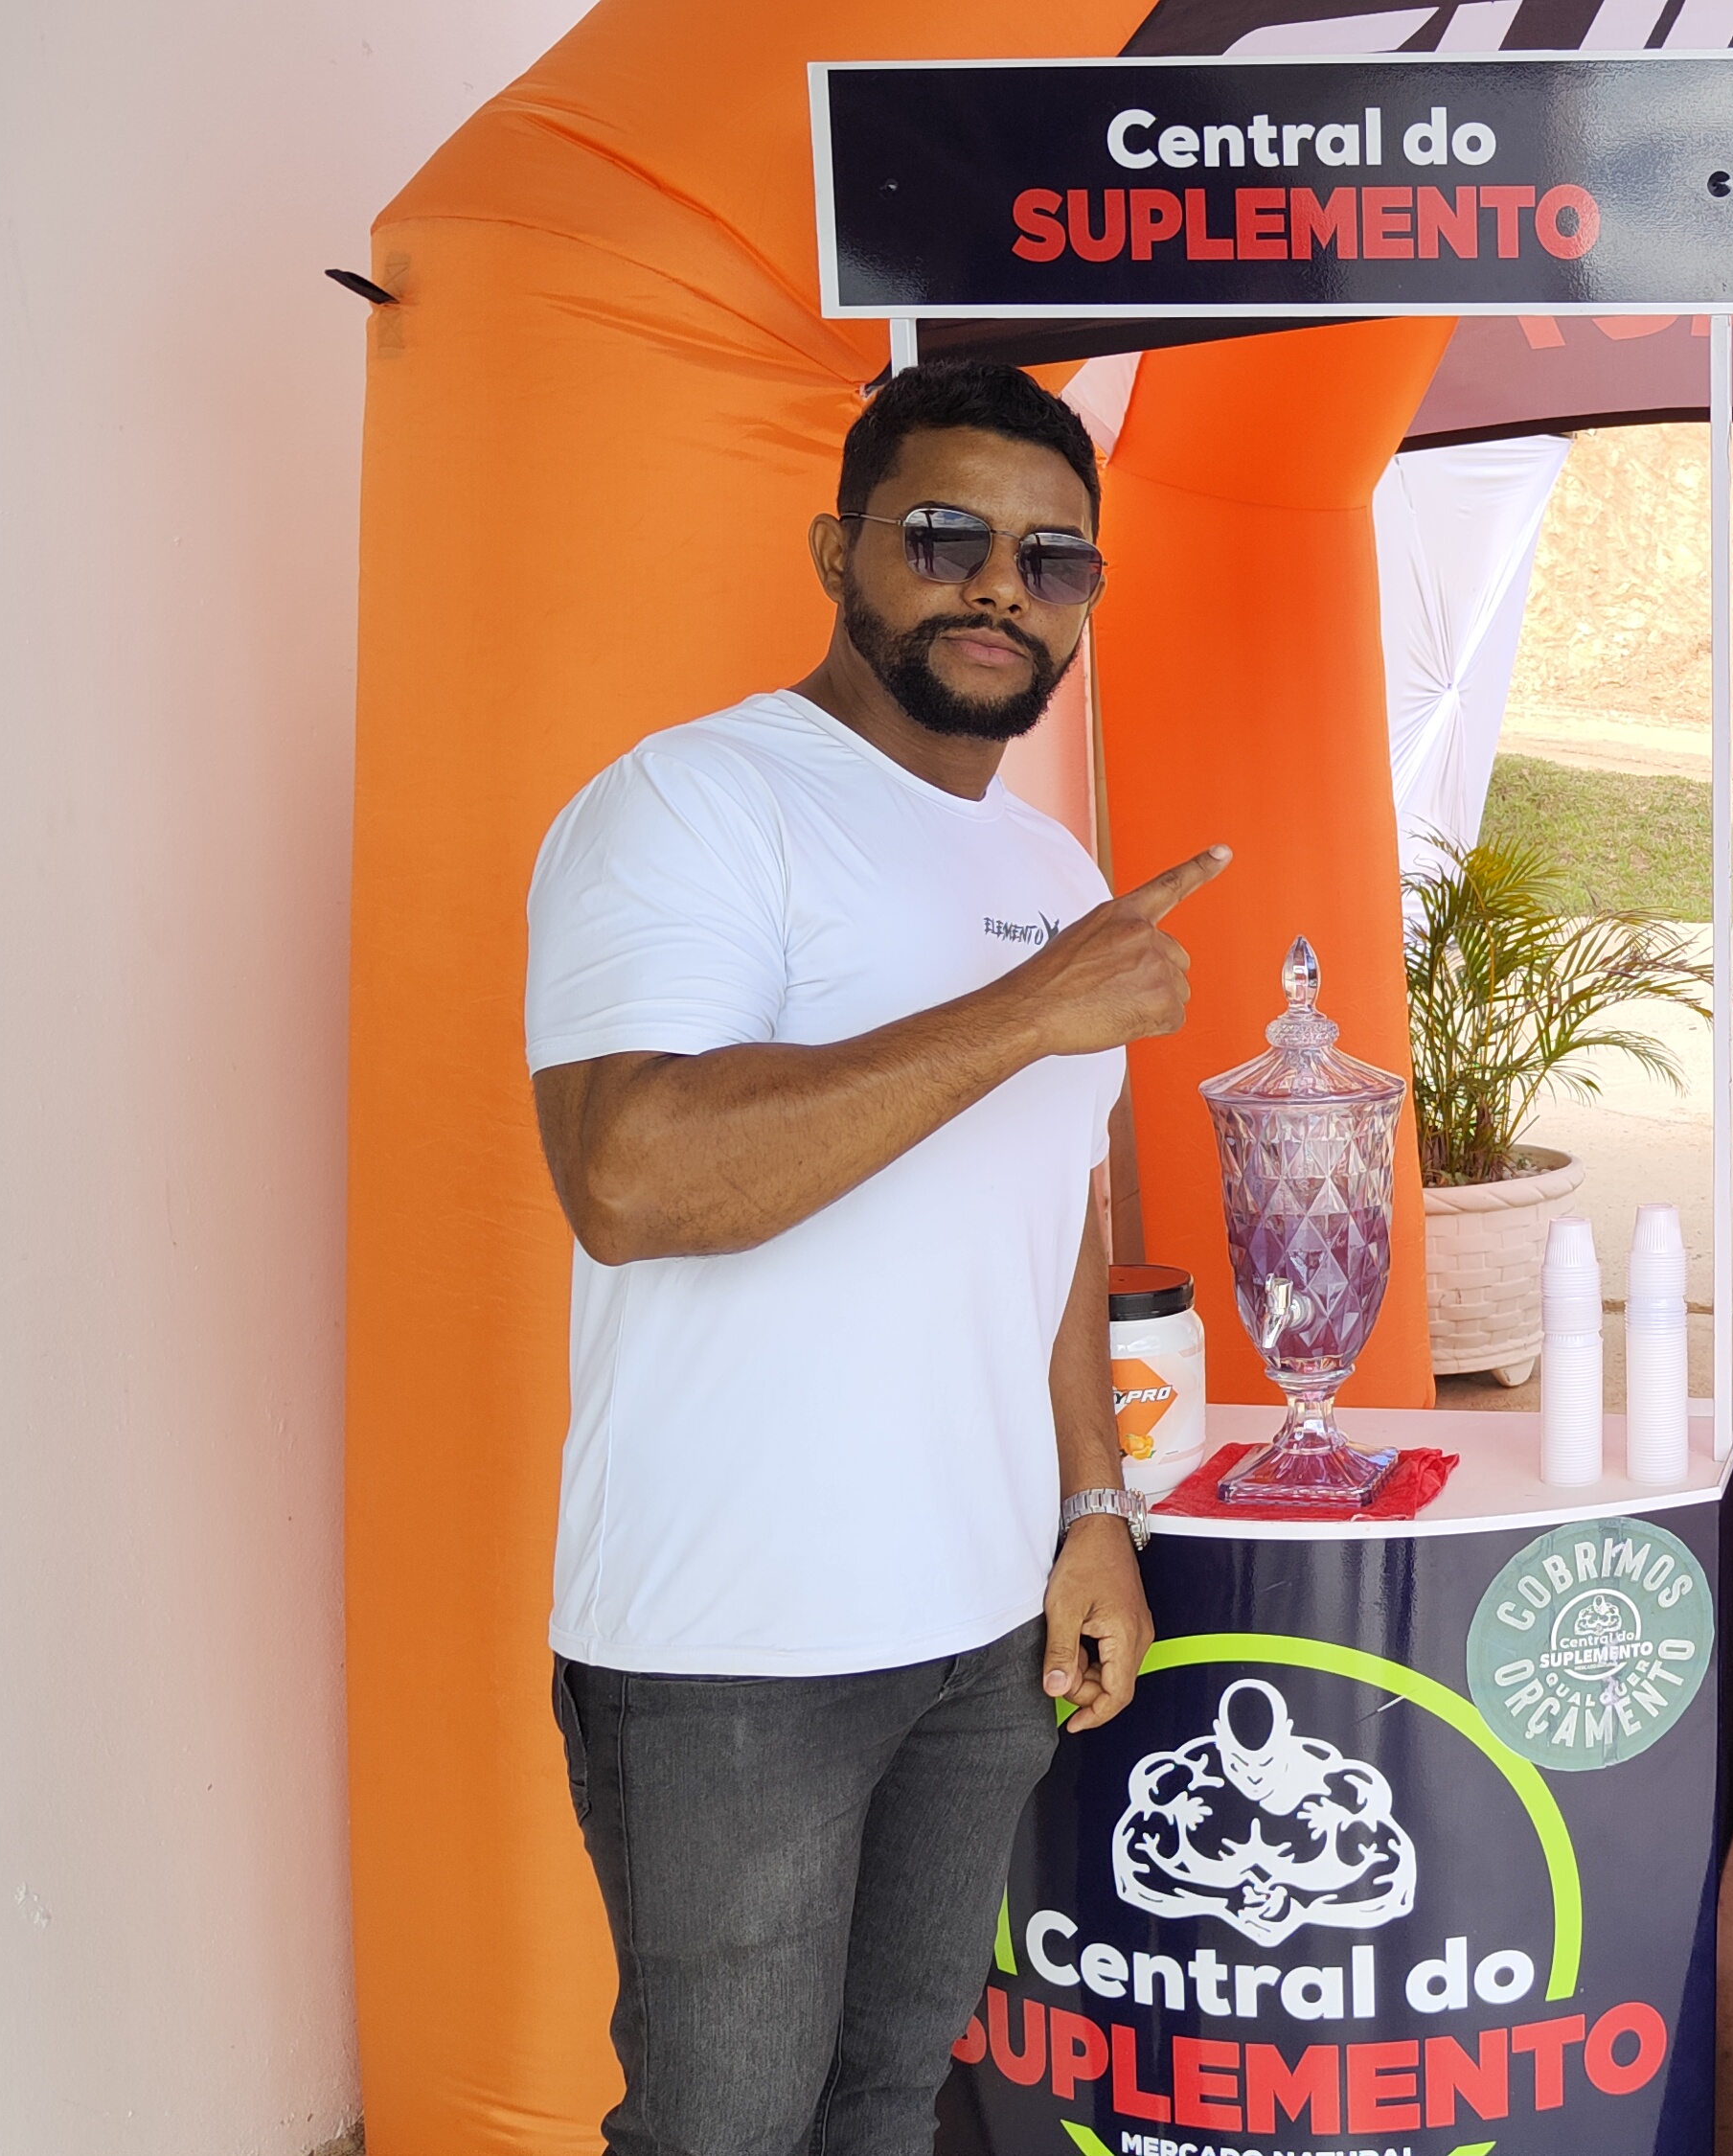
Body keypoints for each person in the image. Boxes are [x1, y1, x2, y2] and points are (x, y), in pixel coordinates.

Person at [522, 361, 1230, 2155]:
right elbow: (628, 1175)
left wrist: (1093, 1506)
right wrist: (1028, 1006)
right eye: (946, 534)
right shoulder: (693, 803)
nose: (1001, 584)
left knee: (885, 2108)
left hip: (983, 1627)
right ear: (838, 550)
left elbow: (1048, 1209)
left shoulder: (1051, 867)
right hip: (737, 1644)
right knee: (720, 2135)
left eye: (1055, 558)